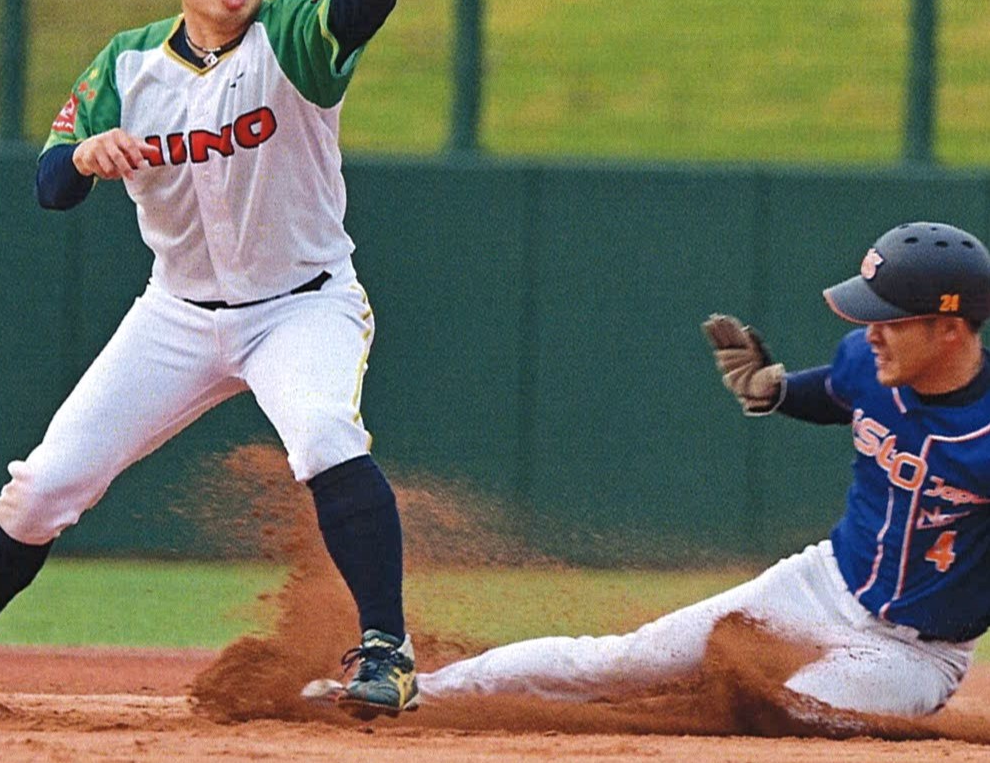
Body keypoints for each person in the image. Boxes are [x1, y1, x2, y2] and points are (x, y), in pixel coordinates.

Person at [0, 0, 418, 717]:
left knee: (324, 435)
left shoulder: (292, 40)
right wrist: (83, 155)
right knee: (44, 485)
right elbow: (49, 187)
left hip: (302, 305)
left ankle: (387, 650)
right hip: (175, 313)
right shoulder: (127, 63)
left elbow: (366, 0)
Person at [411, 221, 990, 718]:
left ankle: (651, 729)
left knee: (791, 712)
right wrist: (779, 391)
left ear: (949, 327)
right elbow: (837, 394)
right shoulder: (866, 361)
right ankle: (420, 694)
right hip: (820, 585)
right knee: (627, 660)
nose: (871, 331)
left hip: (917, 652)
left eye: (891, 318)